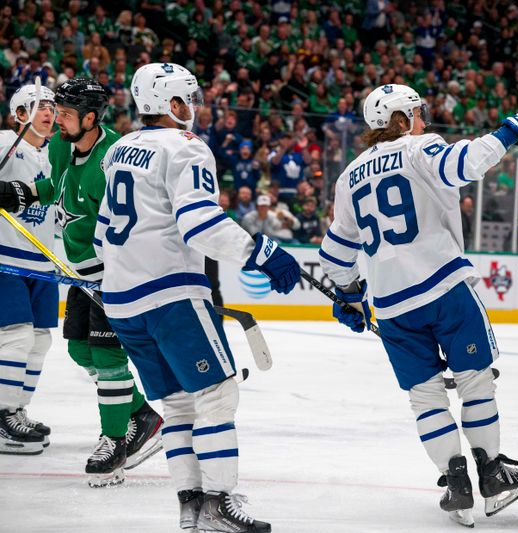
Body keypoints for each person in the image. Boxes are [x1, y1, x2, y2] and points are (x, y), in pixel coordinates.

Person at [319, 83, 518, 527]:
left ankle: (455, 480)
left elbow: (335, 253)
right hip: (444, 287)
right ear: (404, 118)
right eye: (419, 112)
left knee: (425, 396)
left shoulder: (348, 176)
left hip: (391, 306)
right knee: (475, 381)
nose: (425, 119)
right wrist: (513, 129)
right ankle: (491, 470)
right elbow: (465, 163)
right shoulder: (419, 147)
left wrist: (349, 294)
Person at [96, 63, 301, 532]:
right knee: (217, 393)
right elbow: (201, 223)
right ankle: (219, 503)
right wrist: (262, 252)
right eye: (189, 98)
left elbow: (103, 235)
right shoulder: (186, 148)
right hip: (171, 294)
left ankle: (191, 508)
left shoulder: (120, 150)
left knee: (178, 406)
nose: (195, 107)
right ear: (171, 104)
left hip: (123, 302)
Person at [0, 78, 163, 486]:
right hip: (79, 275)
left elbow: (136, 222)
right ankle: (141, 414)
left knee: (107, 359)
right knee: (78, 351)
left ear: (90, 118)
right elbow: (53, 187)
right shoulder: (59, 145)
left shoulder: (115, 158)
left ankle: (114, 443)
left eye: (67, 114)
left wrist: (129, 276)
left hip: (114, 276)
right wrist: (12, 193)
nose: (57, 120)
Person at [0, 84, 57, 455]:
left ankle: (18, 409)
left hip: (43, 262)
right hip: (6, 258)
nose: (49, 112)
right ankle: (2, 415)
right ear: (20, 114)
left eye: (52, 106)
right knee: (17, 336)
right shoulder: (6, 141)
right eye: (38, 107)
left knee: (39, 340)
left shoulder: (57, 154)